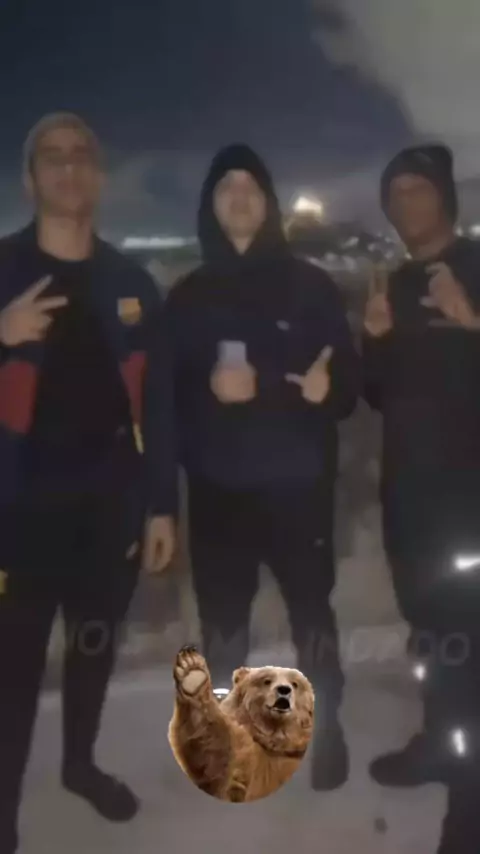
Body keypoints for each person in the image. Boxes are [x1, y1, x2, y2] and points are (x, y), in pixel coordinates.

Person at [0, 114, 177, 854]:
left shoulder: (130, 282)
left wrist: (161, 505)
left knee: (93, 648)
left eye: (82, 155)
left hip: (110, 511)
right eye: (53, 156)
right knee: (11, 670)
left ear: (98, 176)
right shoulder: (4, 269)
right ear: (30, 178)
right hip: (19, 514)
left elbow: (157, 403)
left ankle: (79, 765)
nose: (69, 167)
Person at [165, 144, 359, 791]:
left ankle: (326, 731)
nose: (240, 195)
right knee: (223, 632)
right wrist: (208, 395)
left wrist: (323, 390)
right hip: (219, 495)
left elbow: (347, 383)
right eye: (226, 187)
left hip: (298, 489)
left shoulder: (311, 286)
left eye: (251, 185)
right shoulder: (188, 297)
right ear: (210, 206)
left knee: (313, 619)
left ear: (269, 202)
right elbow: (165, 400)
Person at [363, 145, 480, 800]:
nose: (405, 203)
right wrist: (376, 339)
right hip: (409, 500)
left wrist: (472, 321)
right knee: (432, 633)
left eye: (417, 189)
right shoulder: (397, 284)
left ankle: (466, 770)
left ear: (445, 197)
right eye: (395, 193)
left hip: (469, 500)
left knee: (468, 633)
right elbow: (380, 394)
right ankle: (443, 742)